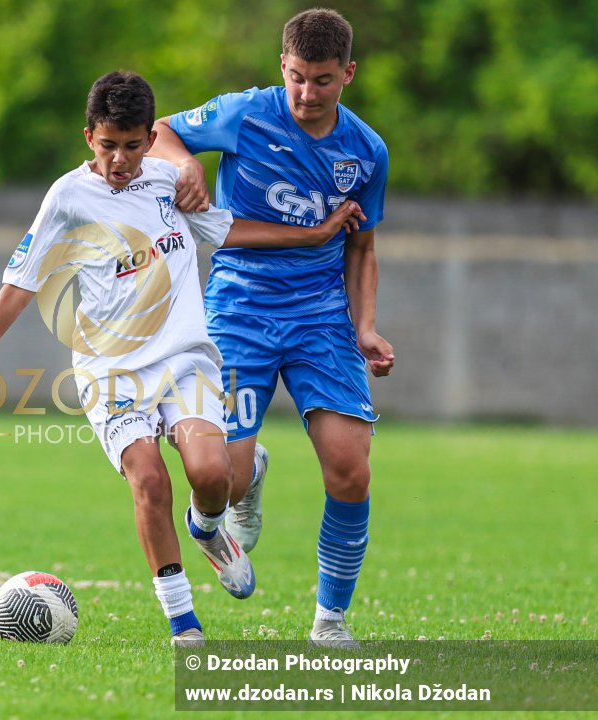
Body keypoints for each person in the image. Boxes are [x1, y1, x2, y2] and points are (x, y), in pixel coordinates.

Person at [0, 71, 365, 647]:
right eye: (107, 144)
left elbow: (227, 231)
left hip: (184, 361)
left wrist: (314, 235)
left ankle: (208, 526)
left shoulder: (171, 183)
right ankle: (183, 624)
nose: (120, 159)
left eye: (132, 145)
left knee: (212, 476)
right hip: (110, 371)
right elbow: (22, 281)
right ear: (88, 137)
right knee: (149, 478)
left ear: (150, 138)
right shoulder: (67, 198)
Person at [148, 8, 395, 649]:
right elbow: (160, 131)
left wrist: (365, 327)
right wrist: (187, 165)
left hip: (320, 316)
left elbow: (362, 248)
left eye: (322, 80)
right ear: (280, 68)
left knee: (351, 470)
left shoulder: (366, 152)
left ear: (348, 74)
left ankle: (330, 622)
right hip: (240, 306)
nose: (307, 95)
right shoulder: (246, 112)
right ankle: (243, 480)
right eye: (295, 78)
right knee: (219, 478)